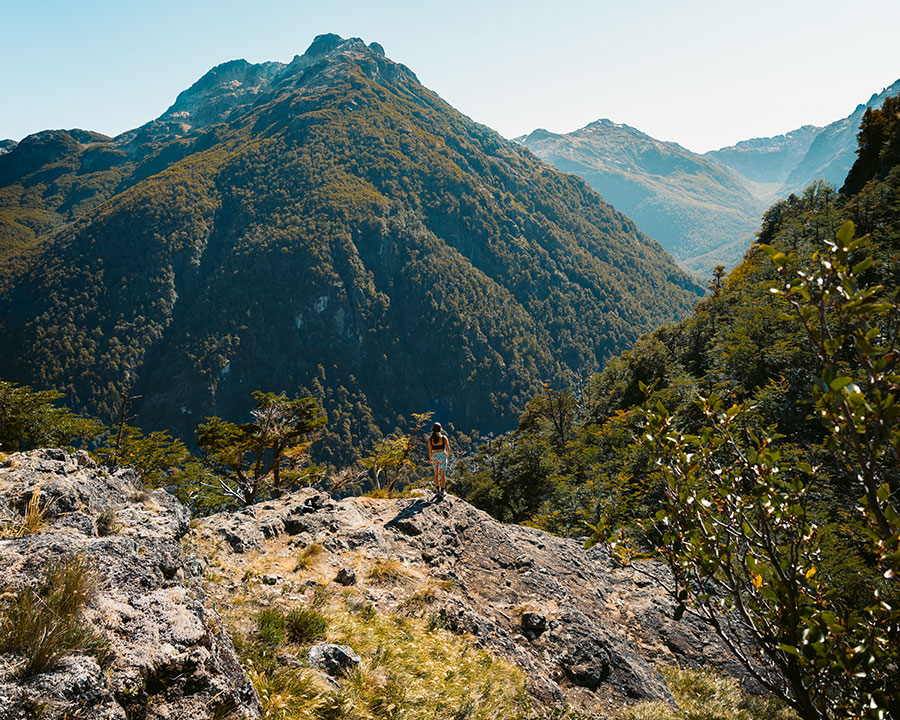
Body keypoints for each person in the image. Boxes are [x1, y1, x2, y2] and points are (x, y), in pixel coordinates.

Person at [427, 422, 450, 497]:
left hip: (434, 456)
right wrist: (447, 455)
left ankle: (437, 490)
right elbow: (448, 448)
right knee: (442, 475)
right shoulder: (443, 438)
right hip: (442, 455)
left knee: (436, 474)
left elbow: (430, 450)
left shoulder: (430, 439)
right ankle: (442, 491)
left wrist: (431, 458)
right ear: (440, 429)